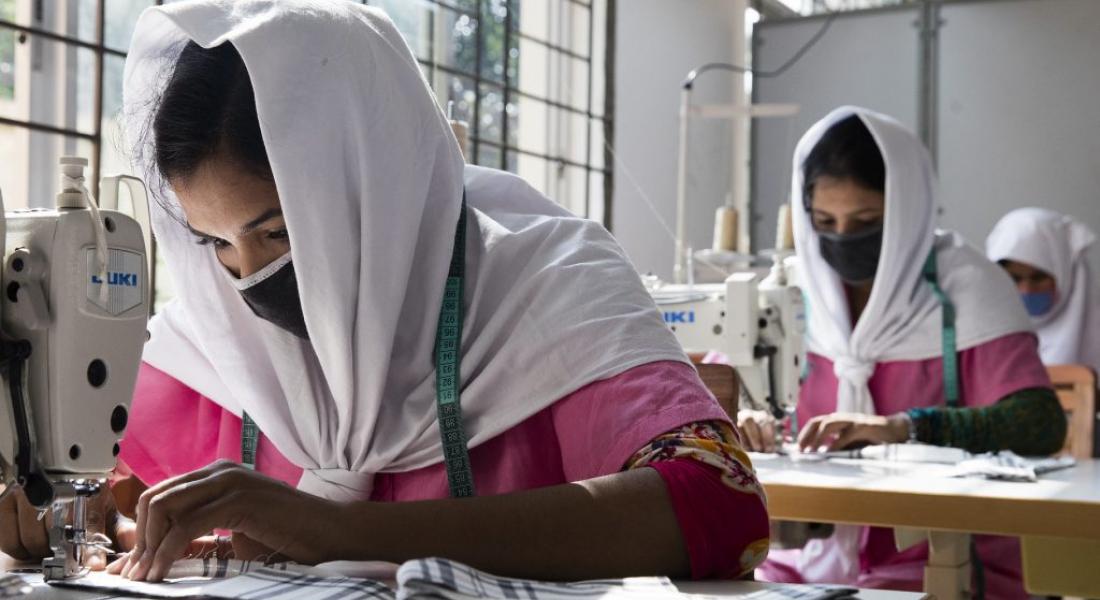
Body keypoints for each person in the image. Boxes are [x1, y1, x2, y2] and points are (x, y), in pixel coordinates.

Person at [0, 0, 770, 584]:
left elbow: (718, 502)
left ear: (373, 193)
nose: (245, 277)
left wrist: (341, 530)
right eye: (214, 244)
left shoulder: (549, 288)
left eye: (278, 234)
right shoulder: (215, 342)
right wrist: (68, 515)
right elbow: (109, 490)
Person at [738, 107, 1065, 597]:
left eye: (865, 221)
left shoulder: (967, 289)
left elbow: (1040, 423)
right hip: (795, 558)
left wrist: (905, 428)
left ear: (908, 210)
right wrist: (742, 419)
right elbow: (722, 397)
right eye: (825, 221)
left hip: (939, 559)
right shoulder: (793, 293)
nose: (842, 239)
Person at [987, 208, 1100, 375]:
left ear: (1067, 276)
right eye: (1015, 279)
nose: (1026, 290)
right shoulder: (980, 342)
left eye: (1038, 278)